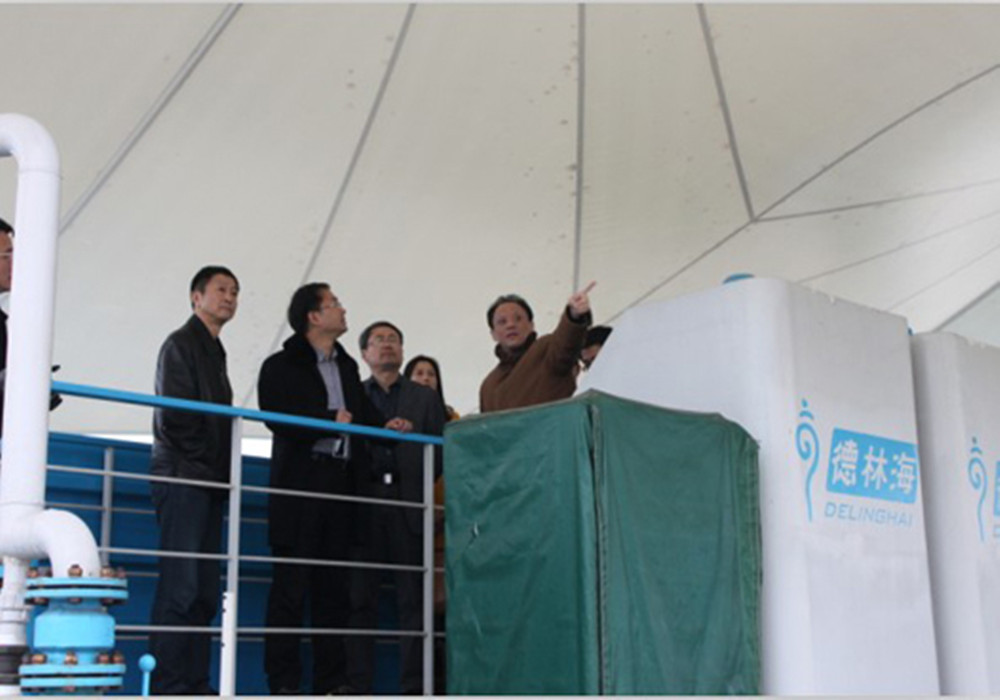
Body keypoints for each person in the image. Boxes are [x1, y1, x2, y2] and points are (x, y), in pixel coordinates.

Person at [257, 283, 402, 695]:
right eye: (334, 303)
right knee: (290, 590)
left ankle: (331, 684)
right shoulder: (280, 365)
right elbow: (276, 414)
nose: (342, 308)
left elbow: (362, 413)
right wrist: (326, 419)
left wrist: (387, 427)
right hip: (301, 486)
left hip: (342, 486)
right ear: (314, 316)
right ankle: (283, 686)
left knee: (333, 591)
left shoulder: (347, 366)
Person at [148, 265, 240, 695]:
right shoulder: (180, 344)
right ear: (196, 297)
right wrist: (210, 462)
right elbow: (177, 418)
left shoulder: (214, 351)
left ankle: (196, 684)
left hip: (206, 480)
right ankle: (170, 685)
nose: (229, 297)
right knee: (181, 588)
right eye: (221, 289)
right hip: (184, 477)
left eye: (234, 291)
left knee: (202, 590)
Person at [347, 322, 445, 695]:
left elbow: (439, 452)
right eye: (379, 340)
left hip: (409, 504)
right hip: (365, 503)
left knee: (413, 603)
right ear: (364, 353)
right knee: (359, 601)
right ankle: (358, 686)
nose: (387, 345)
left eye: (394, 340)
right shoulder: (354, 394)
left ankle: (414, 688)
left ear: (403, 351)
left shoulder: (424, 398)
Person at [402, 354, 455, 695]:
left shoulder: (453, 421)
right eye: (418, 373)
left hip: (448, 538)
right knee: (417, 613)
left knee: (448, 616)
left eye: (431, 374)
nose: (425, 379)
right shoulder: (398, 420)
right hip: (412, 531)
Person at [479, 281, 595, 413]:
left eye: (518, 318)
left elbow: (566, 342)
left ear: (531, 325)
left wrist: (573, 315)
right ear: (493, 334)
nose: (510, 325)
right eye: (502, 322)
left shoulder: (547, 349)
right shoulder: (489, 386)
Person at [403, 355, 459, 422]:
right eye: (419, 373)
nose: (426, 378)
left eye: (431, 374)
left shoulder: (451, 418)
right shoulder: (397, 415)